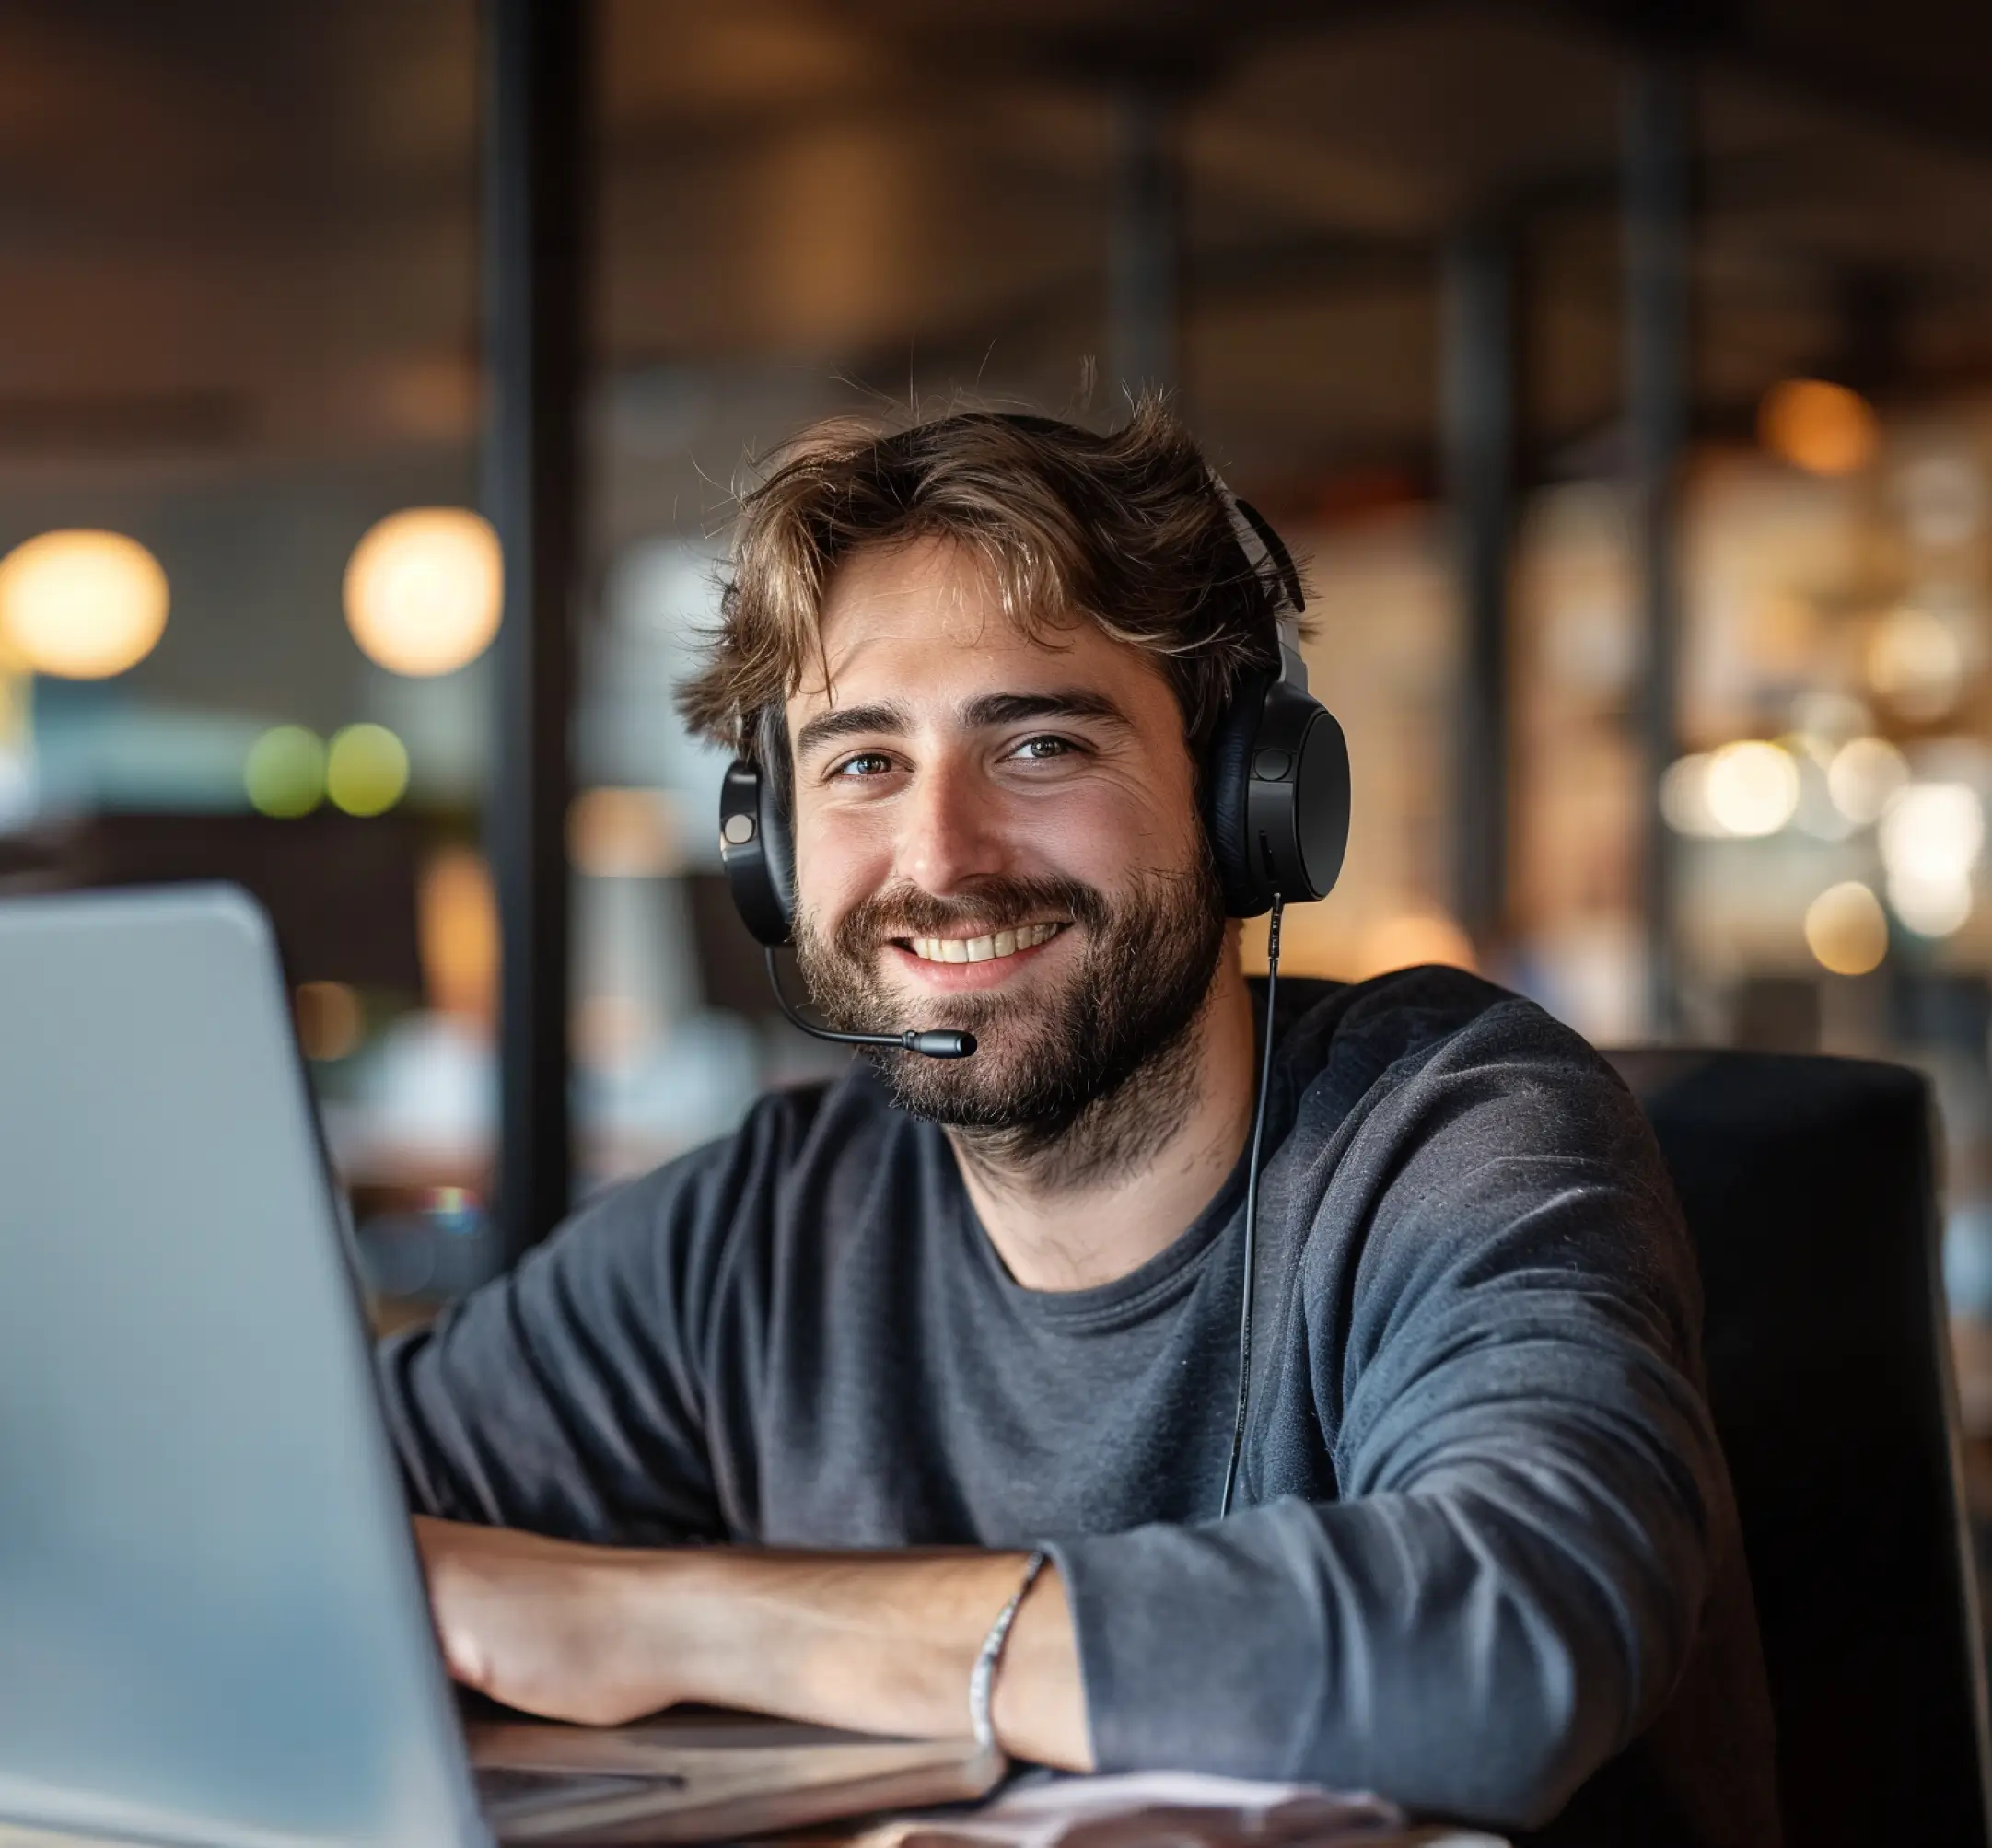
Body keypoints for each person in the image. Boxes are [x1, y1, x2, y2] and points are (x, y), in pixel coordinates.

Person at [381, 402, 1778, 1844]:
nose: (940, 857)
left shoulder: (1451, 1129)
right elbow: (282, 1526)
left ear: (1251, 800)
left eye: (1040, 743)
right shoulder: (758, 1229)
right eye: (861, 762)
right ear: (770, 847)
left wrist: (669, 1622)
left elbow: (1500, 1650)